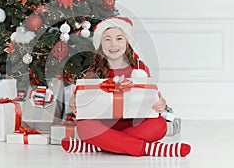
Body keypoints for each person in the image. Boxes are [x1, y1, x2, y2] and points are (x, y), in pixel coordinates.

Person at [61, 16, 191, 157]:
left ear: (127, 42)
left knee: (159, 125)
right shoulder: (93, 73)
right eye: (107, 39)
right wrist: (74, 100)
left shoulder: (140, 69)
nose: (113, 44)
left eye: (119, 38)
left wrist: (161, 103)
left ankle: (100, 146)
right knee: (84, 127)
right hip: (106, 124)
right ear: (100, 44)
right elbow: (84, 98)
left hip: (132, 123)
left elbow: (152, 95)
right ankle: (149, 149)